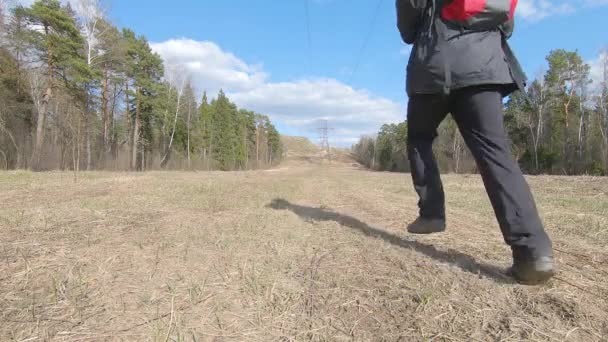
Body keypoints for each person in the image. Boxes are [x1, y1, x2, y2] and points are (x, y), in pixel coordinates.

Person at [396, 0, 554, 284]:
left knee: (419, 138)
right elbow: (506, 23)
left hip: (434, 70)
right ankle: (533, 252)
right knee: (495, 153)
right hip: (484, 66)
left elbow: (407, 30)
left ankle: (431, 213)